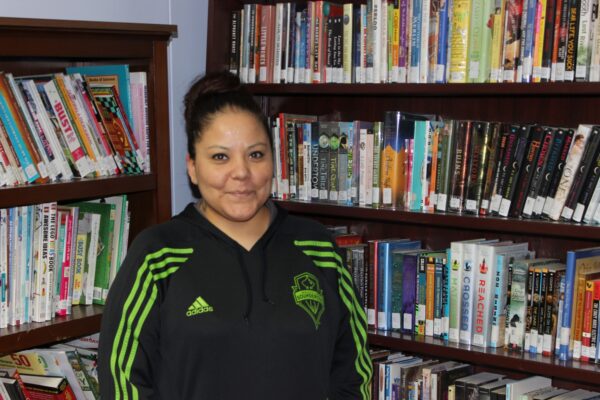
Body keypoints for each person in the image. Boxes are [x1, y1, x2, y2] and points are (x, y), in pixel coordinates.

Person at [98, 70, 372, 399]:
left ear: (274, 161)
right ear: (192, 167)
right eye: (220, 157)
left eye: (256, 154)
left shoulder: (319, 249)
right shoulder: (158, 256)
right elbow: (122, 383)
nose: (241, 173)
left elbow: (353, 376)